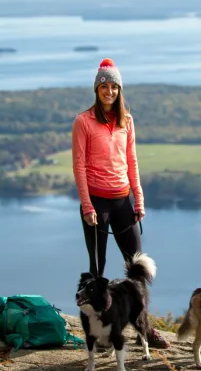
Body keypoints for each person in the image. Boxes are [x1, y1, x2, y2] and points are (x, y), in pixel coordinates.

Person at [72, 58, 169, 349]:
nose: (109, 91)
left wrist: (138, 200)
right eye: (104, 86)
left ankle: (144, 329)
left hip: (123, 199)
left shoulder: (127, 121)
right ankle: (98, 331)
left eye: (114, 86)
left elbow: (132, 161)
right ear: (96, 89)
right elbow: (79, 166)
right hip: (97, 204)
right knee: (97, 271)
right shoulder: (84, 121)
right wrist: (87, 207)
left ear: (119, 89)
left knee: (137, 271)